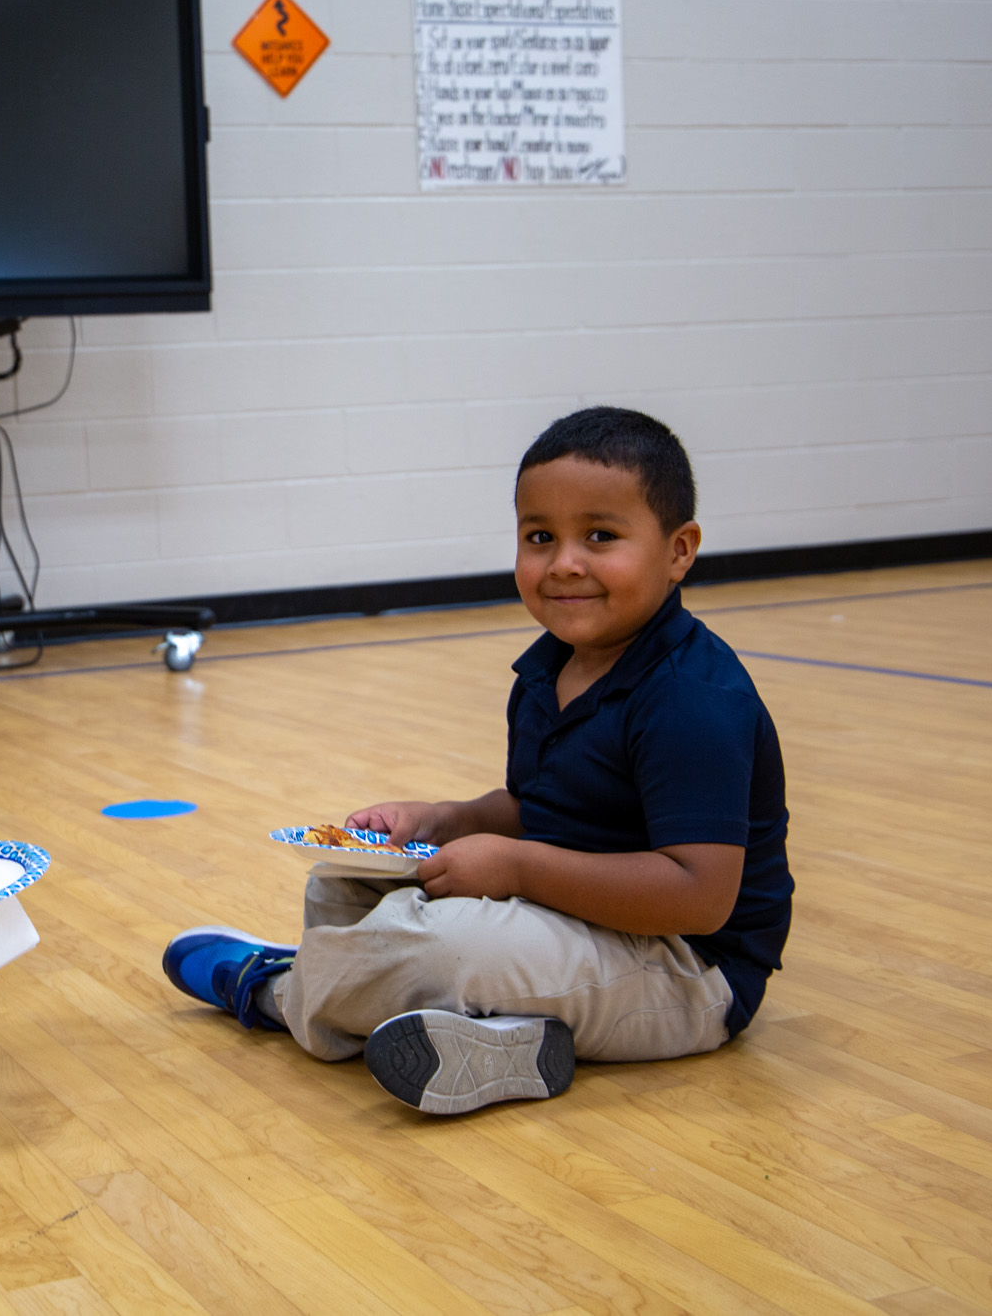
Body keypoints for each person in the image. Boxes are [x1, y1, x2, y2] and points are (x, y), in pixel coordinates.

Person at [163, 406, 792, 1114]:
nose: (565, 563)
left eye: (601, 536)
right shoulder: (547, 671)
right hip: (591, 929)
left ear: (679, 550)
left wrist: (516, 868)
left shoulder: (691, 698)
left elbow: (700, 896)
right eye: (539, 537)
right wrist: (446, 819)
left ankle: (276, 989)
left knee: (434, 946)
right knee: (336, 886)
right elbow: (546, 810)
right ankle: (510, 1042)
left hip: (689, 975)